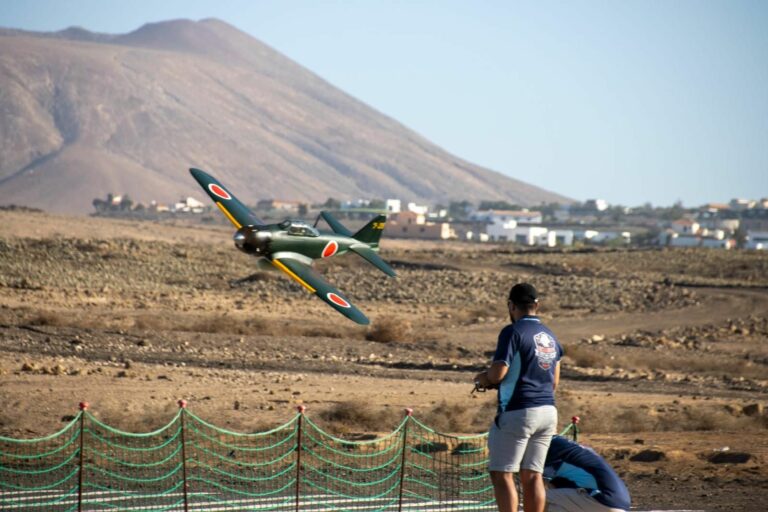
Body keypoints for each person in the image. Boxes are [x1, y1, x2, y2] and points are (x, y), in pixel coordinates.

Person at [474, 283, 563, 512]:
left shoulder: (512, 332)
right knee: (533, 475)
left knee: (502, 473)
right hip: (548, 412)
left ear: (511, 306)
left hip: (518, 411)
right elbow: (554, 381)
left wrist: (483, 378)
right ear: (537, 305)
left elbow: (498, 372)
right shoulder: (551, 336)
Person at [544, 435, 631, 512]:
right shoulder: (565, 445)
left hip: (603, 500)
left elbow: (535, 481)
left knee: (535, 497)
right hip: (621, 505)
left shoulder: (544, 447)